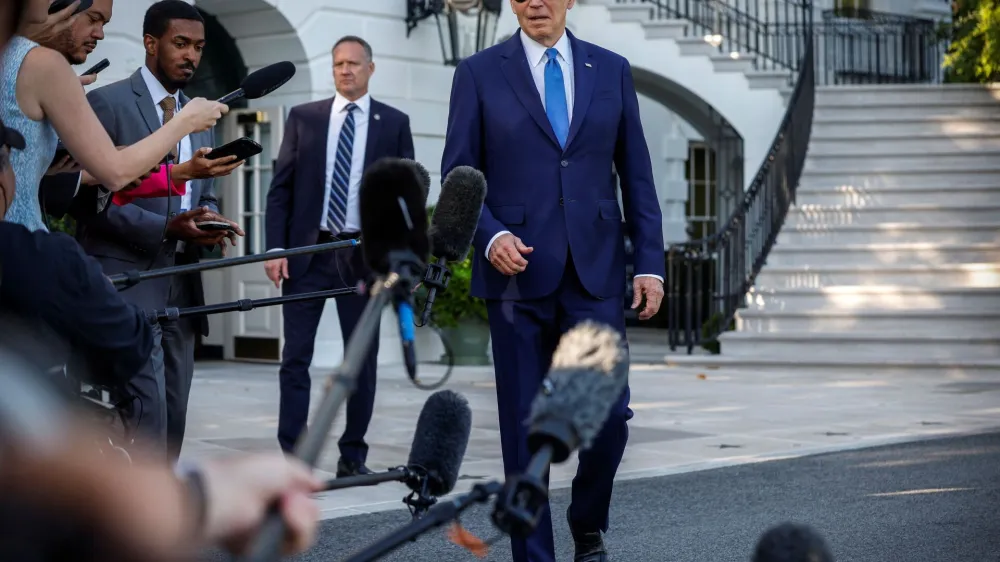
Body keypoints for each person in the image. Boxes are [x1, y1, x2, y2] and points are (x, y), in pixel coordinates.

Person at [439, 1, 665, 561]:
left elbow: (636, 171)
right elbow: (458, 174)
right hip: (514, 277)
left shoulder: (610, 68)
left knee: (609, 418)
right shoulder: (478, 73)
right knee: (523, 431)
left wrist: (650, 262)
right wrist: (489, 236)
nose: (534, 2)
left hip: (596, 274)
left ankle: (587, 520)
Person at [74, 0, 245, 461]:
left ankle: (159, 519)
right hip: (125, 283)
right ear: (151, 43)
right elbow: (86, 200)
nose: (192, 55)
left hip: (183, 291)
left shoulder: (200, 116)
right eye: (181, 44)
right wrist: (165, 227)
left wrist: (208, 217)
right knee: (137, 418)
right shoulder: (104, 103)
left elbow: (200, 191)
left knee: (174, 414)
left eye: (200, 47)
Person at [265, 35, 415, 474]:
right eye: (338, 64)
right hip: (307, 253)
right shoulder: (303, 118)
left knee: (361, 361)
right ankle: (292, 458)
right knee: (295, 358)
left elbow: (405, 197)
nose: (345, 70)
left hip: (362, 258)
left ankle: (353, 457)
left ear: (370, 67)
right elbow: (281, 190)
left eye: (353, 63)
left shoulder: (394, 123)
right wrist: (277, 248)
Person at [0, 0, 227, 234]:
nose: (100, 34)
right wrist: (186, 120)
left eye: (104, 23)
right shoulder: (46, 65)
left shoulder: (12, 57)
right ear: (62, 8)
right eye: (93, 18)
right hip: (17, 245)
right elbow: (116, 174)